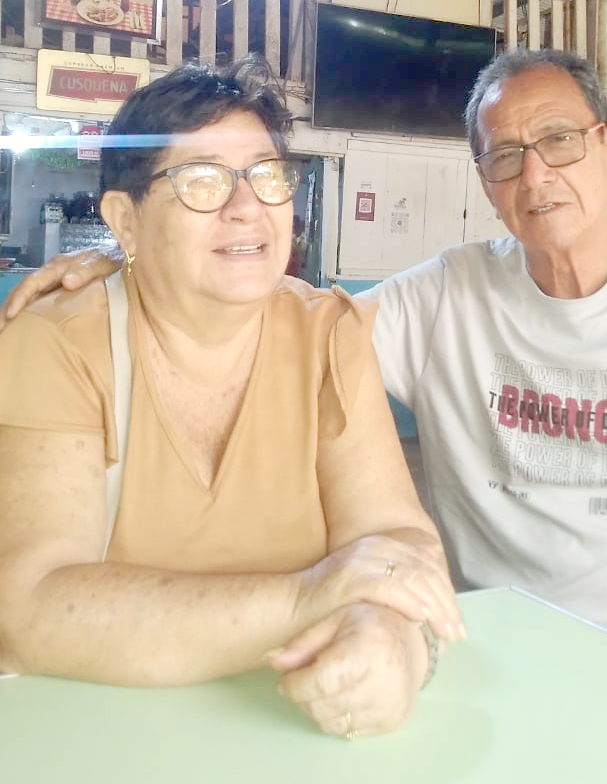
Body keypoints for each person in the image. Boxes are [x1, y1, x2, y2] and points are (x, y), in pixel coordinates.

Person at [6, 49, 607, 674]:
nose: (535, 174)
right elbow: (262, 309)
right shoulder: (446, 296)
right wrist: (126, 259)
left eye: (560, 141)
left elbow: (389, 531)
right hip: (498, 648)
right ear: (485, 181)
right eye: (505, 155)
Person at [0, 56, 463, 738]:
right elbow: (29, 610)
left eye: (266, 176)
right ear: (125, 221)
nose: (247, 207)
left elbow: (396, 542)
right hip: (105, 737)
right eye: (202, 180)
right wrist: (310, 596)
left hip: (289, 724)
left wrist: (390, 636)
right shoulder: (59, 341)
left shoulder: (327, 335)